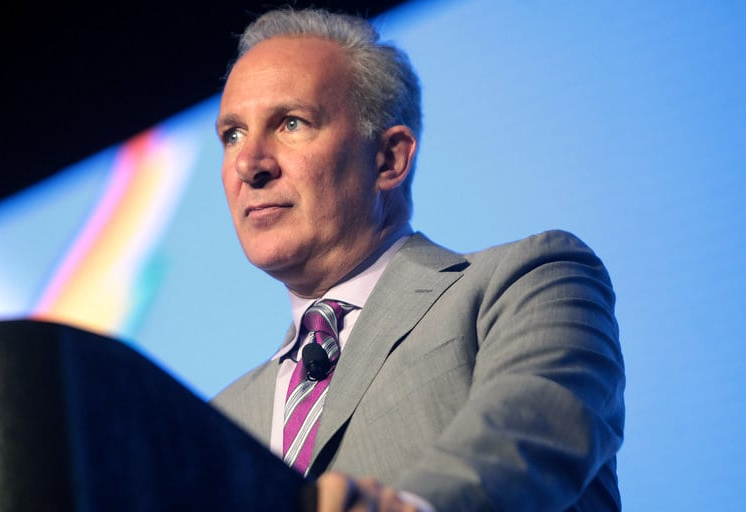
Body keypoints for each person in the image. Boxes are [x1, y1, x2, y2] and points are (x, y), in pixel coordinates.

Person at [210, 7, 625, 512]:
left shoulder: (529, 282)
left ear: (389, 158)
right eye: (232, 134)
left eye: (291, 123)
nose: (248, 164)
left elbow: (533, 427)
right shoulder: (217, 422)